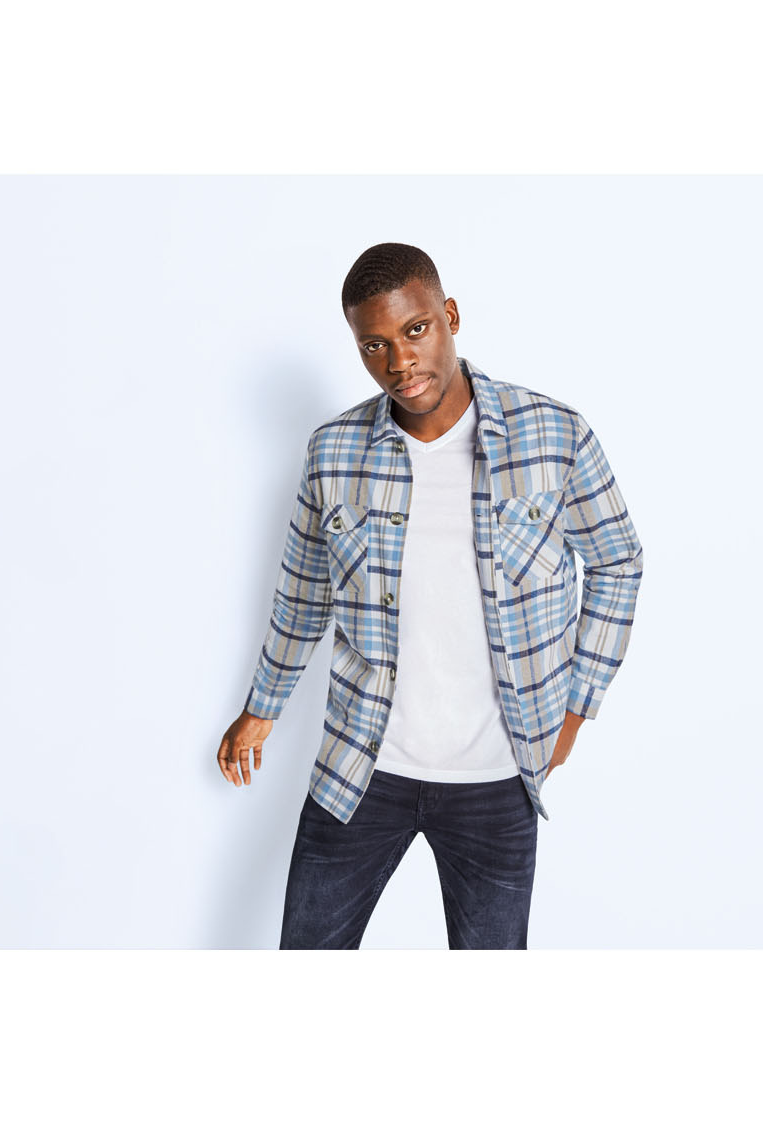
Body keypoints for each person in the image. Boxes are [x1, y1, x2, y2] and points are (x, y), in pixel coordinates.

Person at [216, 242, 645, 949]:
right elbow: (303, 594)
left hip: (499, 778)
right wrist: (262, 708)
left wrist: (575, 712)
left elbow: (618, 562)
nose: (399, 361)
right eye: (374, 345)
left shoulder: (554, 435)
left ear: (450, 315)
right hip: (361, 767)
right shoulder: (334, 451)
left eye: (415, 330)